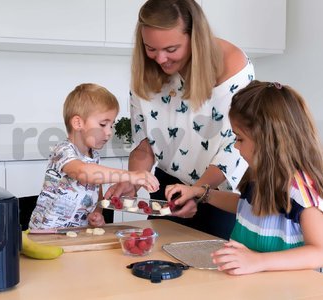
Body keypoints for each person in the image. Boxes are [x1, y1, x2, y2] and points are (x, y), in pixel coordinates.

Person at [104, 0, 255, 239]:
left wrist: (196, 191)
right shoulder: (146, 71)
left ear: (195, 37)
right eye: (151, 48)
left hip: (219, 193)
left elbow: (234, 147)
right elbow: (144, 144)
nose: (160, 59)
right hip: (170, 189)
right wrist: (132, 179)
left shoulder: (231, 65)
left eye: (171, 49)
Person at [165, 80, 323, 275]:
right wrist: (201, 192)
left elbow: (319, 252)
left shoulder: (301, 190)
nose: (236, 146)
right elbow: (246, 206)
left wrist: (258, 261)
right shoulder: (259, 174)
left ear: (267, 139)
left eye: (240, 138)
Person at [29, 83, 159, 229]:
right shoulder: (63, 150)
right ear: (78, 123)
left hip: (77, 233)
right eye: (103, 124)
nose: (109, 132)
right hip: (46, 234)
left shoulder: (93, 155)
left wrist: (97, 213)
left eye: (111, 125)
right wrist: (130, 175)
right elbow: (83, 172)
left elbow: (97, 190)